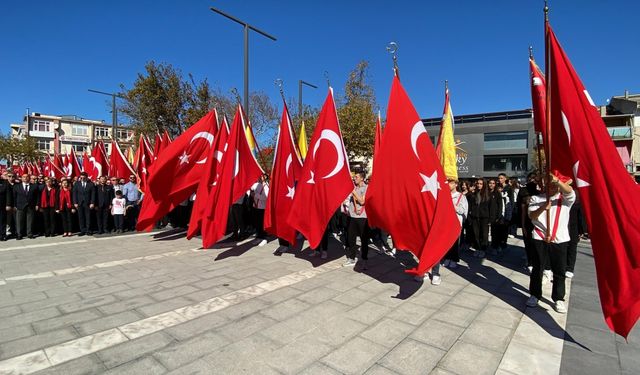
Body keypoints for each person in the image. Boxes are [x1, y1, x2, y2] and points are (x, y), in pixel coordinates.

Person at [526, 172, 575, 313]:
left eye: (554, 185)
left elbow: (570, 191)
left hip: (559, 239)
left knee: (559, 270)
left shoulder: (566, 199)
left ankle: (558, 298)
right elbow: (532, 216)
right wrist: (543, 207)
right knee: (537, 269)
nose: (552, 187)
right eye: (549, 184)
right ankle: (535, 295)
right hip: (539, 237)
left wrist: (558, 180)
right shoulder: (536, 198)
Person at [343, 172, 370, 269]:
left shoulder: (366, 188)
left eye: (356, 177)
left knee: (364, 239)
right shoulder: (354, 187)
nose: (354, 178)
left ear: (362, 178)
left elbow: (362, 201)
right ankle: (352, 258)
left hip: (362, 218)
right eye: (354, 177)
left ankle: (364, 260)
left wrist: (353, 192)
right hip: (352, 216)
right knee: (351, 238)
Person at [467, 178, 496, 258]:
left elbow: (492, 208)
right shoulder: (474, 194)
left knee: (484, 234)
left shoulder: (488, 195)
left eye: (481, 184)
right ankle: (477, 248)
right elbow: (470, 206)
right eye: (478, 184)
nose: (479, 185)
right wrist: (470, 216)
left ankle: (483, 249)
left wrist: (491, 219)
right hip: (475, 217)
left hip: (485, 218)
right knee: (476, 234)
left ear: (484, 185)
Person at [13, 173, 39, 239]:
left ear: (29, 178)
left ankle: (29, 233)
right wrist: (15, 205)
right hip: (20, 205)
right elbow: (14, 197)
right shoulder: (16, 186)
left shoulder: (34, 186)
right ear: (21, 178)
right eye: (24, 177)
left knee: (30, 220)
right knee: (19, 221)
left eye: (27, 177)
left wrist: (37, 204)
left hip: (31, 205)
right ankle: (19, 234)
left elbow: (37, 196)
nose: (25, 178)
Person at [72, 172, 95, 236]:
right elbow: (74, 194)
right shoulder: (77, 184)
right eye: (81, 177)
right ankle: (82, 230)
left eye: (84, 177)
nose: (82, 178)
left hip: (88, 203)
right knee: (81, 217)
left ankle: (88, 230)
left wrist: (92, 202)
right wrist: (75, 202)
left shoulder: (91, 184)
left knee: (88, 217)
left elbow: (93, 194)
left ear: (86, 177)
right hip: (79, 203)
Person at [251, 174, 269, 247]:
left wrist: (255, 195)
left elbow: (265, 197)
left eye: (262, 176)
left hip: (262, 208)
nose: (260, 177)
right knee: (257, 223)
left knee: (262, 224)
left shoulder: (266, 186)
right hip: (255, 207)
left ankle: (264, 238)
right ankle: (259, 237)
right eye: (260, 176)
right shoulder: (256, 185)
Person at [0, 174, 12, 241]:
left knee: (2, 221)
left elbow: (8, 194)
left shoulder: (5, 182)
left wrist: (8, 204)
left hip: (2, 205)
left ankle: (2, 235)